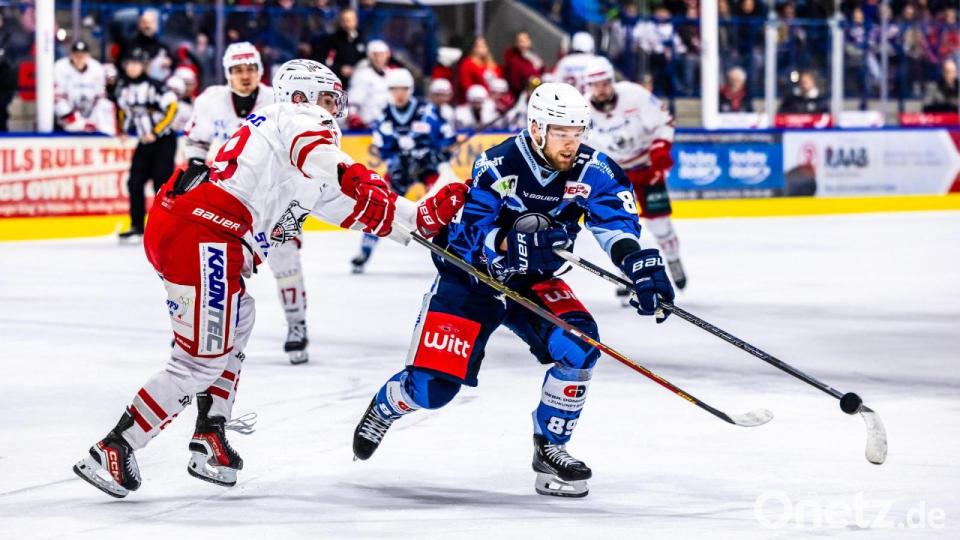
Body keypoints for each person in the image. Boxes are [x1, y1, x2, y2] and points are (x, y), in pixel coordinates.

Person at [73, 59, 469, 499]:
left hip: (200, 230)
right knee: (198, 362)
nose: (333, 110)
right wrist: (361, 177)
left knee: (239, 318)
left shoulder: (300, 158)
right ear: (301, 95)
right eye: (327, 99)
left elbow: (361, 209)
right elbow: (327, 161)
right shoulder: (293, 116)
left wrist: (421, 219)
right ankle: (116, 447)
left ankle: (210, 432)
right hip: (205, 232)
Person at [351, 82, 675, 498]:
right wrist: (508, 242)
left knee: (580, 345)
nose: (571, 143)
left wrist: (638, 263)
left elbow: (615, 223)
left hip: (532, 280)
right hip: (471, 279)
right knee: (432, 390)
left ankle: (550, 450)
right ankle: (386, 404)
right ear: (537, 128)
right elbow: (468, 237)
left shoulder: (595, 170)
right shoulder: (498, 164)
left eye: (577, 133)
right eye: (561, 133)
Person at [183, 43, 313, 365]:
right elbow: (196, 140)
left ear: (260, 71)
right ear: (227, 73)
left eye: (251, 69)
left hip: (279, 198)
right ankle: (212, 328)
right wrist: (196, 168)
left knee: (285, 260)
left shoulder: (280, 100)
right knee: (221, 266)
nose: (245, 75)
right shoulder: (210, 101)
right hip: (232, 199)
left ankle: (297, 324)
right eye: (238, 70)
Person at [582, 57, 686, 292]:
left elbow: (665, 122)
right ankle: (628, 269)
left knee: (660, 223)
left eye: (605, 83)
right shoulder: (582, 110)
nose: (602, 89)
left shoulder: (634, 94)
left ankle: (673, 258)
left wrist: (660, 148)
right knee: (620, 224)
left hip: (646, 168)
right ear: (588, 86)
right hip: (614, 175)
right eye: (596, 85)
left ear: (612, 80)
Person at [351, 68, 457, 273]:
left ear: (410, 90)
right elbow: (381, 146)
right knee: (378, 204)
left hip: (427, 167)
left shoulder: (426, 111)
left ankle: (455, 251)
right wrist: (396, 156)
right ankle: (365, 250)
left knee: (445, 204)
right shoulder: (384, 115)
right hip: (400, 170)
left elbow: (446, 137)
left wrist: (438, 152)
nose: (399, 94)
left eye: (404, 89)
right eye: (395, 89)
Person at [114, 47, 179, 242]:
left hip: (164, 141)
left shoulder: (155, 87)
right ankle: (136, 226)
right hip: (144, 141)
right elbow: (123, 111)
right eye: (129, 64)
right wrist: (123, 129)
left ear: (143, 66)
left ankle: (165, 226)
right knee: (134, 182)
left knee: (162, 184)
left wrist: (156, 131)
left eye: (136, 64)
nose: (132, 68)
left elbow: (172, 108)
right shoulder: (123, 89)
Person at [54, 40, 116, 135]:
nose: (79, 59)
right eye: (76, 55)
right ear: (71, 55)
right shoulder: (60, 67)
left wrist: (91, 122)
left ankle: (108, 137)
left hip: (91, 116)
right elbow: (58, 99)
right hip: (68, 118)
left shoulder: (96, 68)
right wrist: (74, 119)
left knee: (105, 104)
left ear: (88, 56)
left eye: (82, 55)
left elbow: (100, 97)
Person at [312, 7, 365, 86]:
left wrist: (357, 70)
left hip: (358, 81)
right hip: (336, 81)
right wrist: (340, 69)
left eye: (349, 20)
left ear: (356, 21)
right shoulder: (332, 40)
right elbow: (324, 61)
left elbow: (365, 60)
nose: (346, 23)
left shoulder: (361, 39)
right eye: (343, 20)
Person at [347, 39, 393, 128]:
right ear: (370, 56)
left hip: (389, 125)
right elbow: (352, 102)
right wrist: (353, 117)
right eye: (376, 55)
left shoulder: (392, 74)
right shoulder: (361, 75)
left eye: (382, 54)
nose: (379, 58)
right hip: (368, 127)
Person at [456, 36, 502, 102]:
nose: (483, 48)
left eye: (484, 46)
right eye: (479, 46)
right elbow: (466, 85)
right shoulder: (467, 64)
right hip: (475, 100)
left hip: (493, 101)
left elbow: (499, 80)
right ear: (473, 48)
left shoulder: (493, 65)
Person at [502, 30, 544, 98]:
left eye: (526, 40)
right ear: (516, 44)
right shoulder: (514, 60)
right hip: (521, 95)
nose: (524, 44)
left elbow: (542, 73)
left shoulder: (535, 58)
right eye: (521, 41)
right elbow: (515, 83)